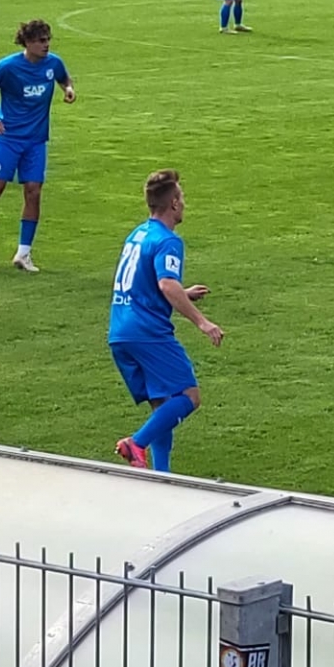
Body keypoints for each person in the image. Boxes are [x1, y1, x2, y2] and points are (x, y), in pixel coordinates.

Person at [111, 169, 225, 474]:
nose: (184, 203)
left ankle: (162, 474)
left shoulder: (138, 234)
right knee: (189, 396)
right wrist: (202, 322)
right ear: (173, 203)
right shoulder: (167, 241)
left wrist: (183, 294)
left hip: (120, 330)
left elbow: (142, 282)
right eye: (182, 198)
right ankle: (136, 443)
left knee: (161, 405)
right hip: (148, 332)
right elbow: (166, 284)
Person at [0, 20, 76, 272]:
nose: (46, 45)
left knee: (33, 191)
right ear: (28, 43)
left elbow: (64, 78)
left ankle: (23, 253)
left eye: (48, 39)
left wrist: (68, 89)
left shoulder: (53, 63)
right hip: (8, 138)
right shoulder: (8, 66)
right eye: (41, 41)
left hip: (36, 141)